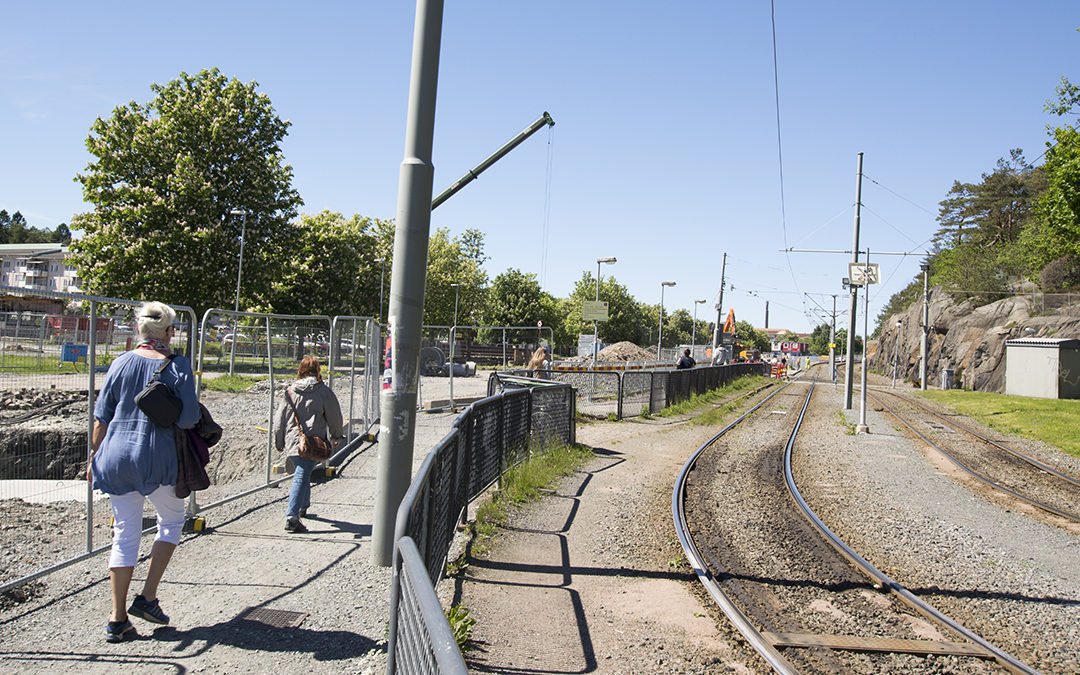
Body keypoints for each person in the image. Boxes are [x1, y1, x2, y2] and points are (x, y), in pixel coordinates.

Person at [89, 302, 200, 643]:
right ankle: (148, 597)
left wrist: (93, 459)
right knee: (170, 521)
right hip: (157, 459)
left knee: (124, 534)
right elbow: (188, 419)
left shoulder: (119, 363)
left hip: (115, 458)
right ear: (169, 332)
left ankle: (117, 617)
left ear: (139, 331)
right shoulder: (177, 366)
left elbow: (101, 418)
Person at [274, 356, 344, 533]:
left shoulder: (289, 391)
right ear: (317, 371)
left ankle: (303, 506)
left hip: (292, 441)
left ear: (301, 370)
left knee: (303, 472)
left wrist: (279, 440)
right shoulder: (324, 392)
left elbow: (279, 420)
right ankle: (291, 517)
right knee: (301, 475)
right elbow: (335, 416)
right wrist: (336, 436)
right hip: (313, 443)